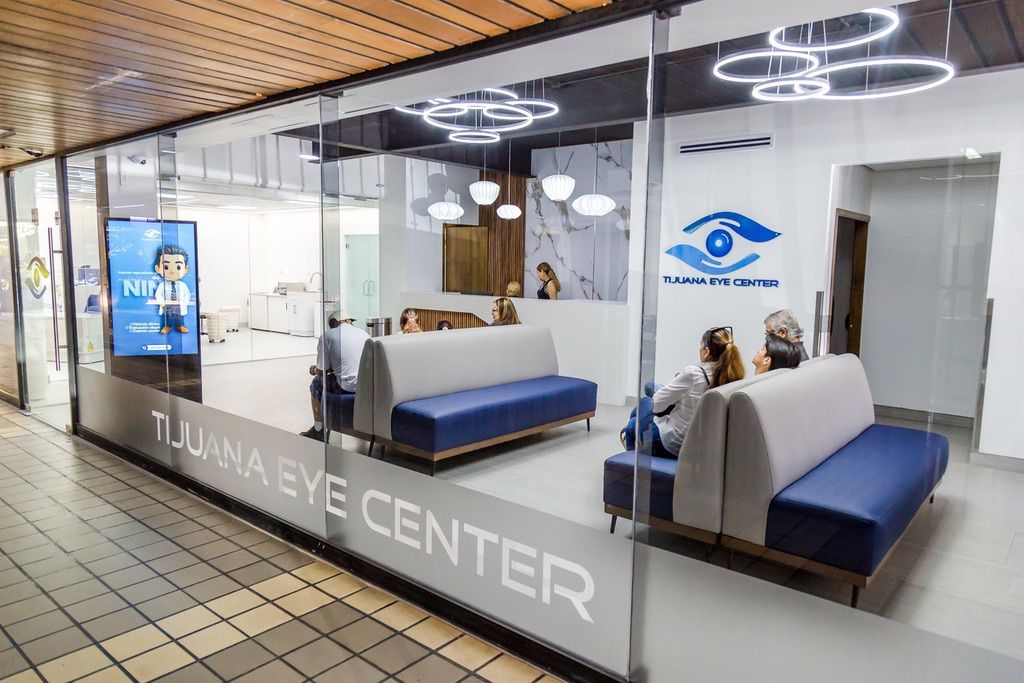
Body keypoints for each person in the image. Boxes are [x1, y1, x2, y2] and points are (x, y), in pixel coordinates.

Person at [620, 326, 744, 457]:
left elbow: (656, 405)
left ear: (706, 352)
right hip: (698, 442)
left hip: (673, 443)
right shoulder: (735, 376)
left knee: (643, 404)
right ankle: (632, 436)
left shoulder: (694, 374)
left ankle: (631, 447)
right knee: (651, 386)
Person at [300, 309, 370, 441]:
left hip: (346, 386)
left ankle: (318, 428)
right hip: (366, 385)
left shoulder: (327, 336)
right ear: (347, 321)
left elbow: (322, 370)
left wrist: (314, 369)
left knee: (316, 383)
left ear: (332, 323)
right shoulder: (364, 333)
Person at [153, 245, 191, 335]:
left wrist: (184, 303)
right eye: (166, 267)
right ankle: (167, 326)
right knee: (167, 316)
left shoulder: (183, 285)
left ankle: (180, 325)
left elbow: (187, 295)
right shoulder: (162, 285)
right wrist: (162, 302)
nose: (172, 271)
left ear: (186, 269)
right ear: (158, 268)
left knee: (179, 316)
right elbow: (158, 294)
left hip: (179, 305)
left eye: (178, 267)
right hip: (167, 305)